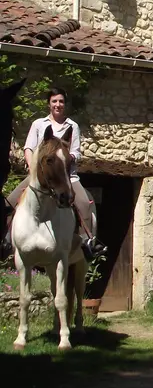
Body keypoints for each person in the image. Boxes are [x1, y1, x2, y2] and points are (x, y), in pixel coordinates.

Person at [6, 87, 106, 259]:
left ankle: (87, 242)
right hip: (39, 177)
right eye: (54, 101)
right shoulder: (39, 124)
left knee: (83, 203)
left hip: (67, 177)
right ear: (49, 104)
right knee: (10, 201)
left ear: (64, 104)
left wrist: (64, 158)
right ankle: (6, 241)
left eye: (61, 101)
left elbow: (76, 152)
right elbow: (29, 148)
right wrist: (32, 167)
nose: (58, 105)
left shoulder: (72, 126)